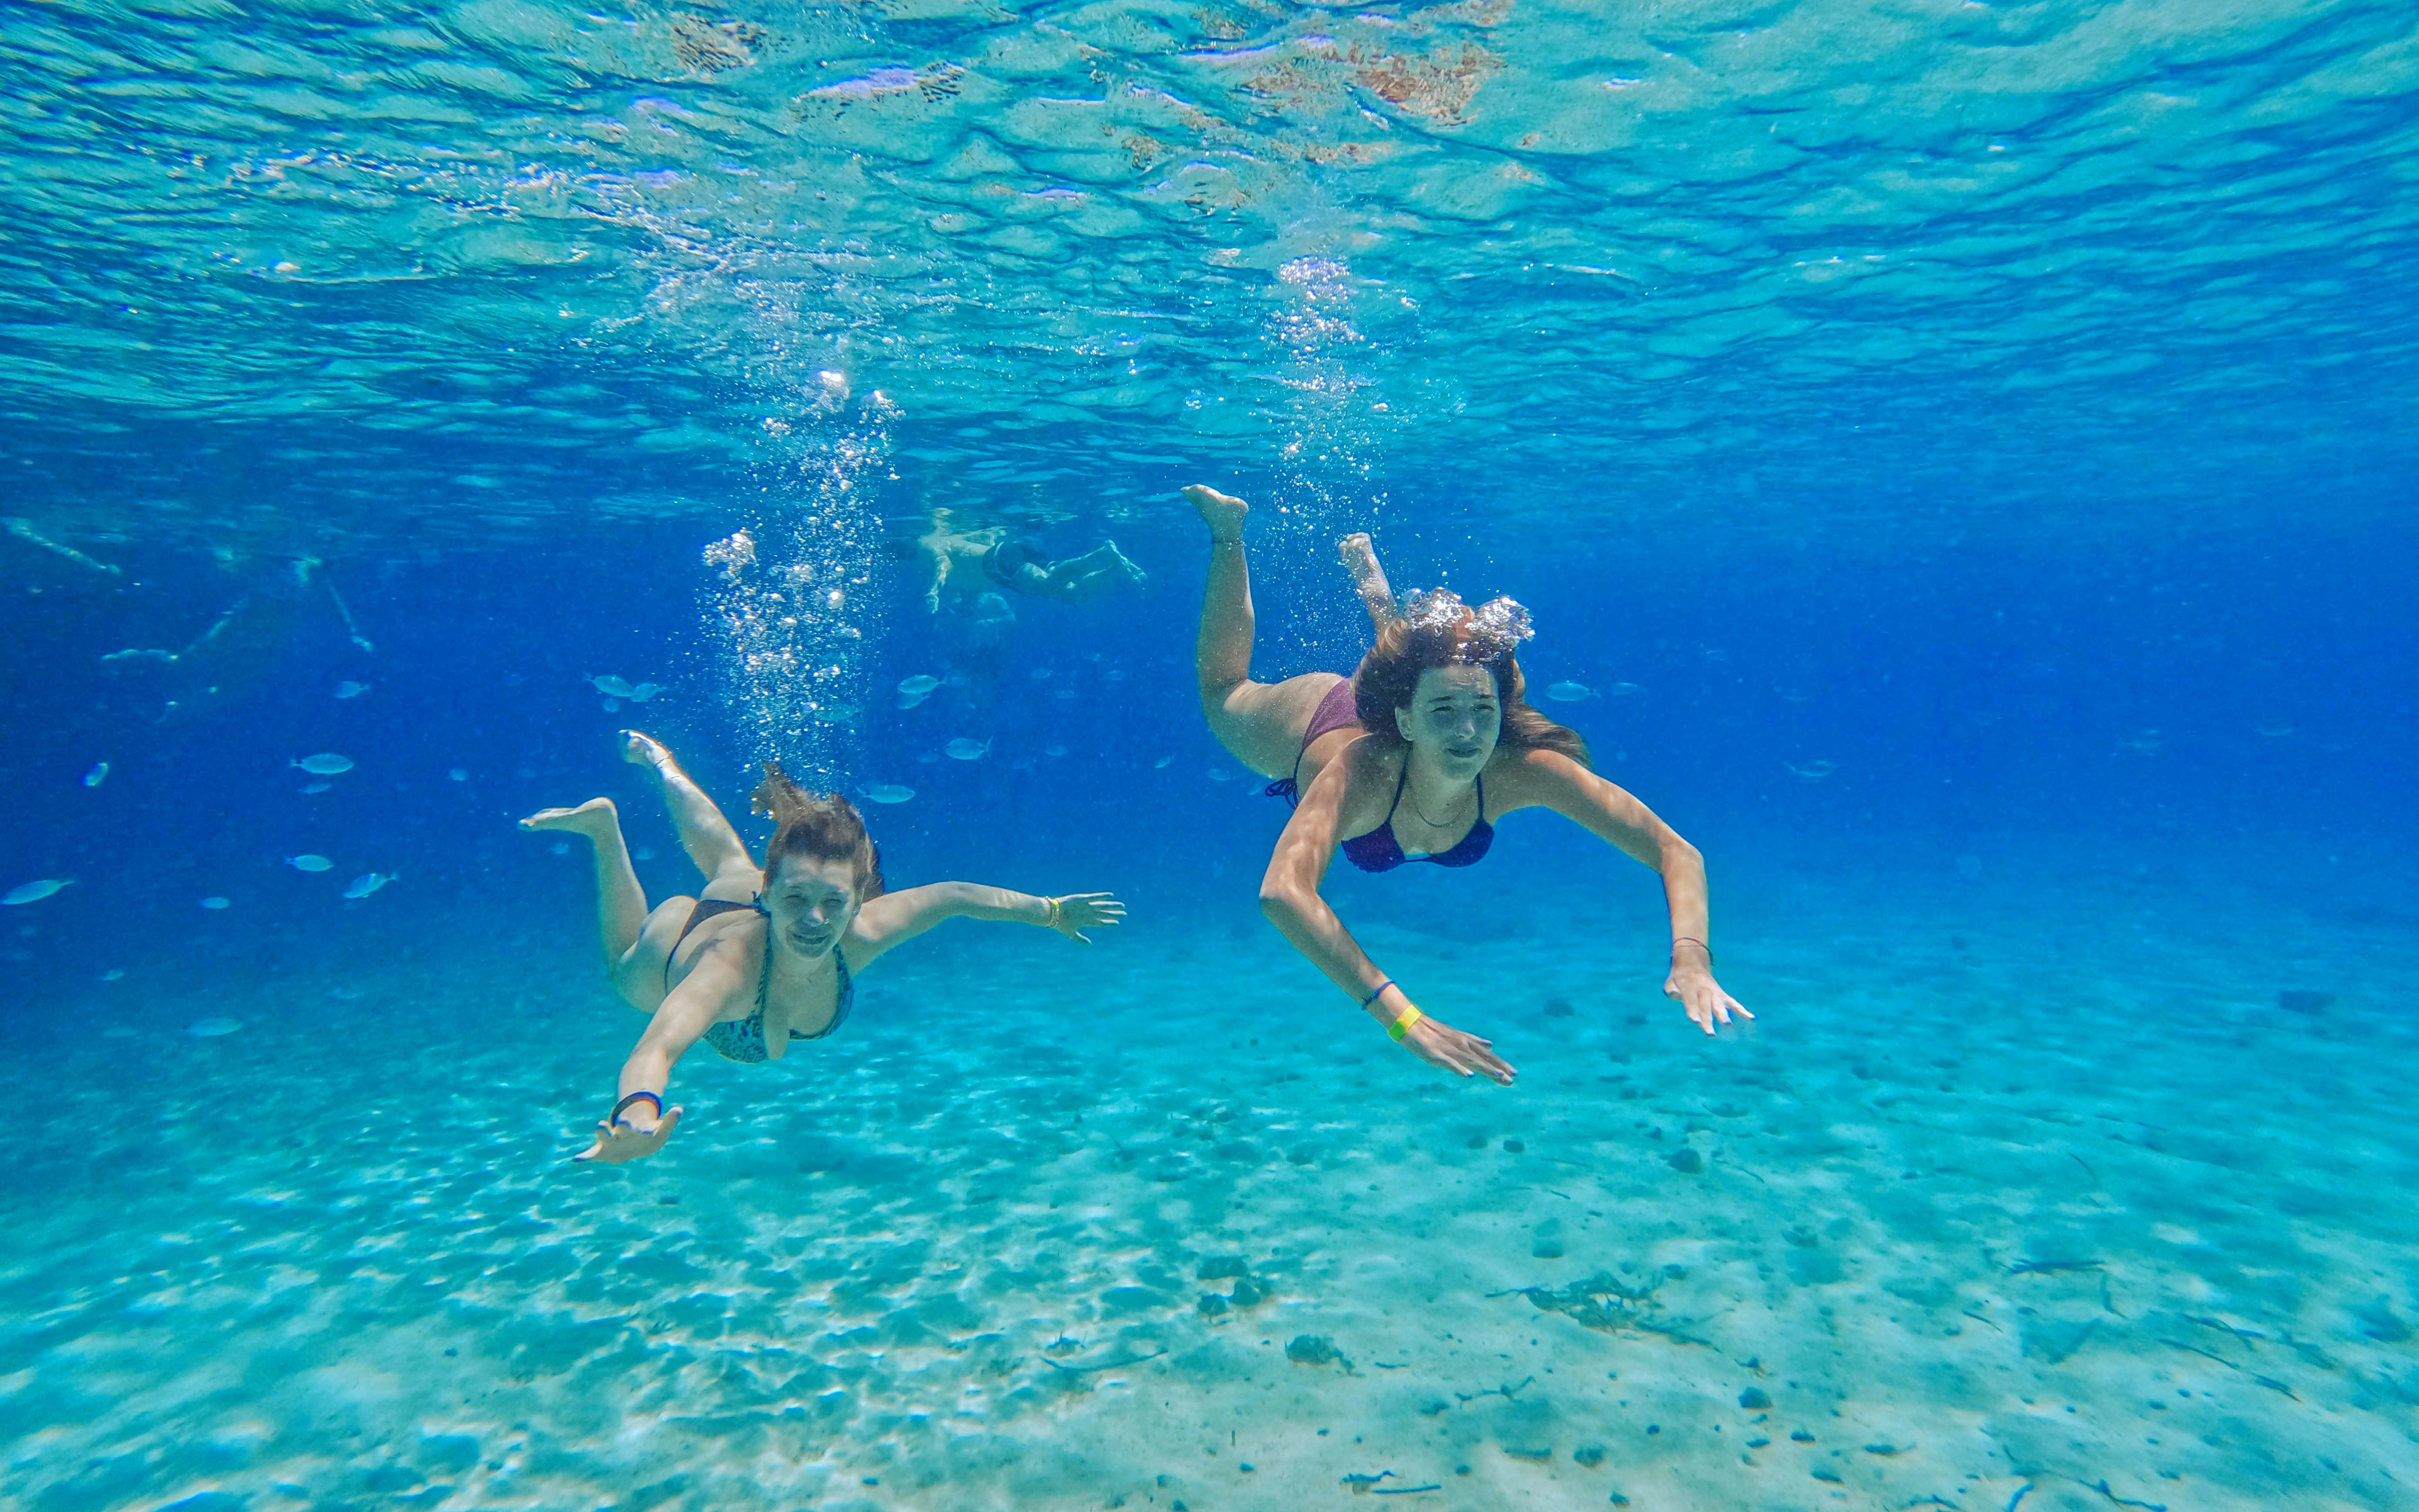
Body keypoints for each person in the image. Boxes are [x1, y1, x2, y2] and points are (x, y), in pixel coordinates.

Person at [1182, 483, 1748, 1087]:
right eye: (1446, 714)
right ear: (1405, 720)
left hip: (1411, 705)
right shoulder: (1358, 774)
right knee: (1221, 693)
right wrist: (1403, 1019)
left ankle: (1383, 606)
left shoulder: (1519, 768)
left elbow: (1675, 851)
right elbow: (1282, 892)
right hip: (1322, 717)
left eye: (1484, 710)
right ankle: (1228, 533)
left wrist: (1692, 956)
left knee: (1426, 668)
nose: (1469, 734)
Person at [522, 731, 1125, 1163]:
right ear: (768, 891)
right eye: (796, 898)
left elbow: (955, 896)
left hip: (753, 893)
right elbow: (655, 1048)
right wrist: (637, 1116)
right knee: (625, 972)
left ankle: (663, 765)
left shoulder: (860, 932)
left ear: (859, 901)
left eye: (834, 902)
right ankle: (605, 830)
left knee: (726, 854)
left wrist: (1050, 911)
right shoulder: (725, 972)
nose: (814, 921)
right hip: (682, 937)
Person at [896, 506, 1146, 615]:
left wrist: (933, 591)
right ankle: (1114, 569)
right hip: (1007, 555)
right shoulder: (945, 537)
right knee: (1072, 594)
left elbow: (943, 564)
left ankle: (1101, 555)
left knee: (1047, 585)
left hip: (1000, 563)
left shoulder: (926, 544)